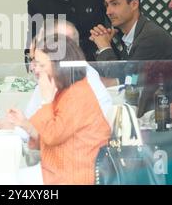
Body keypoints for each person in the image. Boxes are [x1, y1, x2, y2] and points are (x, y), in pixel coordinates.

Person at [7, 35, 110, 184]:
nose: (34, 69)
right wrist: (25, 124)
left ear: (59, 65)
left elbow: (52, 137)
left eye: (41, 65)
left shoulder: (77, 95)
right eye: (34, 63)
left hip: (74, 175)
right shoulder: (65, 90)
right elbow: (49, 136)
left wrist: (46, 101)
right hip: (59, 168)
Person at [90, 0, 172, 61]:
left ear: (134, 4)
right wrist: (101, 47)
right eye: (107, 5)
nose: (108, 12)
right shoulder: (134, 35)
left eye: (115, 4)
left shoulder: (151, 37)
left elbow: (125, 75)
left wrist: (105, 47)